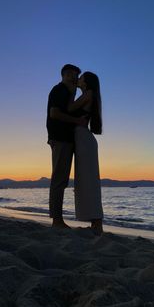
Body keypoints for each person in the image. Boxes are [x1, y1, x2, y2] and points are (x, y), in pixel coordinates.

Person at [46, 64, 86, 229]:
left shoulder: (69, 93)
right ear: (63, 75)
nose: (73, 77)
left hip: (65, 139)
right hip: (60, 138)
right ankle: (57, 220)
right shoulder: (60, 90)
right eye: (70, 74)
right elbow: (54, 113)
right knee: (59, 179)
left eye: (75, 75)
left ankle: (57, 219)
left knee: (61, 179)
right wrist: (77, 121)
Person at [68, 71, 104, 235]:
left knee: (88, 181)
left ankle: (97, 222)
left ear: (87, 82)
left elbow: (69, 109)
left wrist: (72, 89)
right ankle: (95, 222)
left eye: (80, 78)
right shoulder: (89, 94)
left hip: (83, 139)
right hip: (82, 138)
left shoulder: (88, 94)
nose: (78, 80)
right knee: (86, 181)